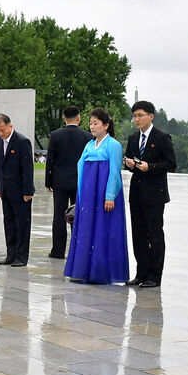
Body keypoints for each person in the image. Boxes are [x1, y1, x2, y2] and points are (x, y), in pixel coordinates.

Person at [64, 108, 128, 284]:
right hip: (88, 195)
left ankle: (99, 272)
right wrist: (81, 193)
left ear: (106, 125)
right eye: (90, 123)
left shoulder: (113, 145)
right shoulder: (89, 145)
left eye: (96, 123)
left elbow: (115, 171)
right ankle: (82, 270)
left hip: (103, 193)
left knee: (102, 229)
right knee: (86, 229)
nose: (92, 127)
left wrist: (110, 195)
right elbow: (81, 167)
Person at [124, 100, 176, 288]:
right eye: (135, 116)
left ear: (150, 117)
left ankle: (155, 275)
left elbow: (171, 164)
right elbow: (129, 161)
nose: (136, 119)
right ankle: (141, 273)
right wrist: (130, 165)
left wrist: (150, 167)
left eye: (140, 115)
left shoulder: (162, 137)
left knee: (154, 234)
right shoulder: (132, 138)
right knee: (138, 234)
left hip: (155, 194)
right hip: (136, 193)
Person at [45, 106, 92, 259]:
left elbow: (50, 160)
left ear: (64, 118)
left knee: (59, 216)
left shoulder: (56, 135)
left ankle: (58, 251)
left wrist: (48, 181)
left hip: (60, 181)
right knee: (77, 215)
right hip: (80, 181)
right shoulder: (87, 137)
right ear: (78, 118)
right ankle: (77, 250)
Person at [0, 114, 34, 266]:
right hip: (6, 191)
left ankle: (21, 257)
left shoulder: (22, 142)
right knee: (9, 223)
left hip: (21, 191)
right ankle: (10, 254)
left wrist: (28, 191)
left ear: (10, 126)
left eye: (2, 130)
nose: (1, 134)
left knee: (22, 224)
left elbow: (28, 169)